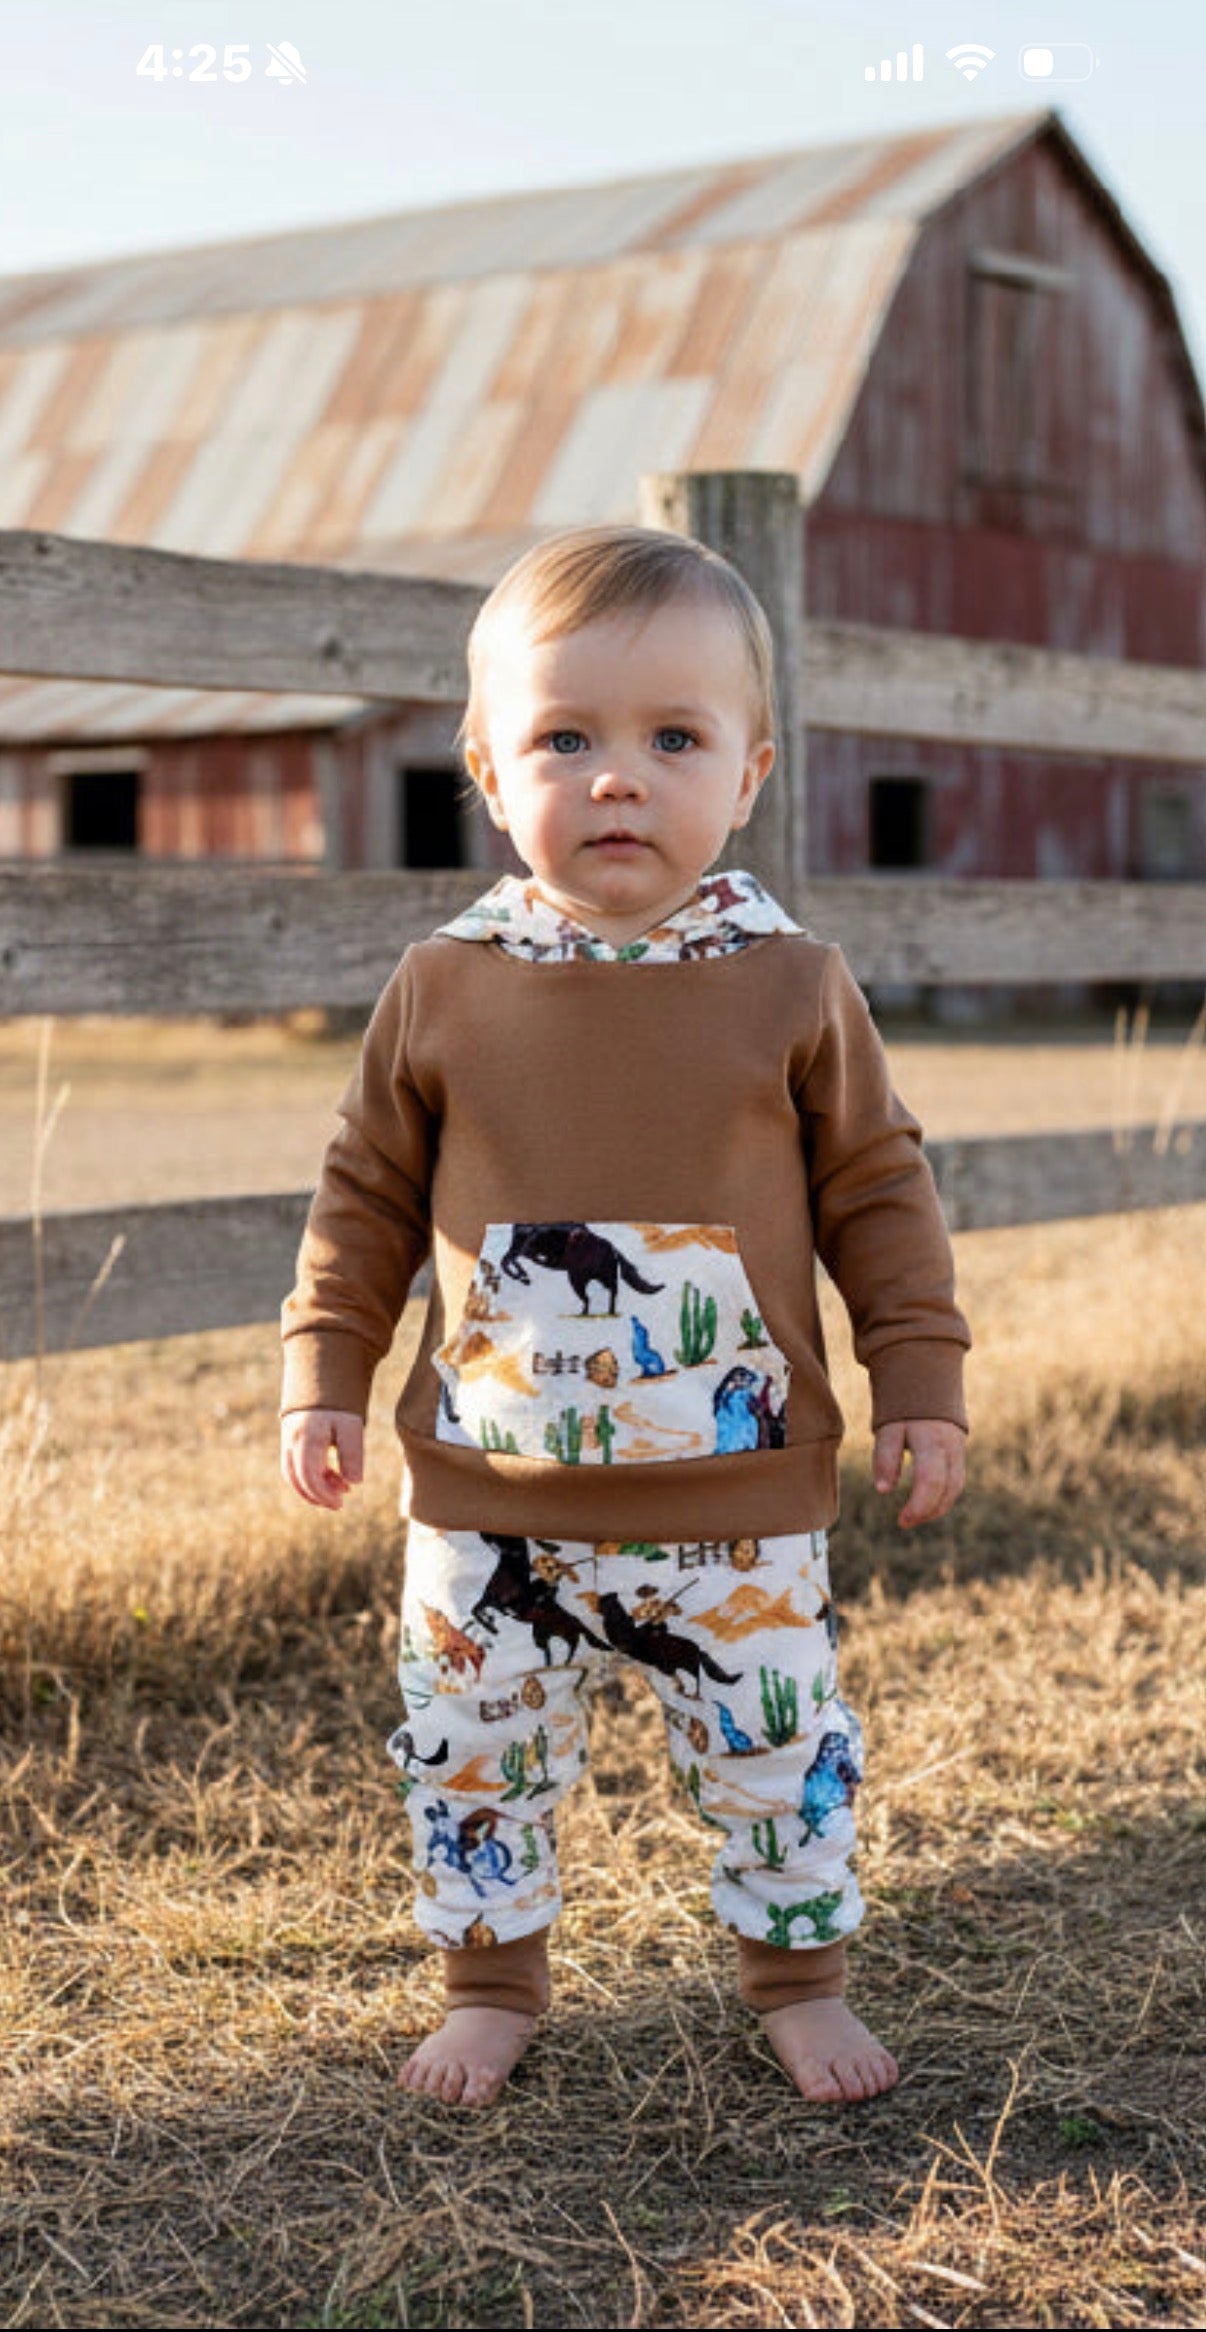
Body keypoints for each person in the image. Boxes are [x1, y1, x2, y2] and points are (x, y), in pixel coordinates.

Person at [280, 523, 970, 2112]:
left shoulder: (789, 981)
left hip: (734, 1500)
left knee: (775, 1750)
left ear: (748, 775)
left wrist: (919, 1381)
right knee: (471, 1746)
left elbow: (878, 1188)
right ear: (484, 768)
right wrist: (326, 1370)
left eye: (672, 739)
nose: (615, 778)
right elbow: (364, 1194)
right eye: (563, 739)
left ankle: (796, 1978)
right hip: (486, 1496)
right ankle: (489, 1982)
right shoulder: (444, 984)